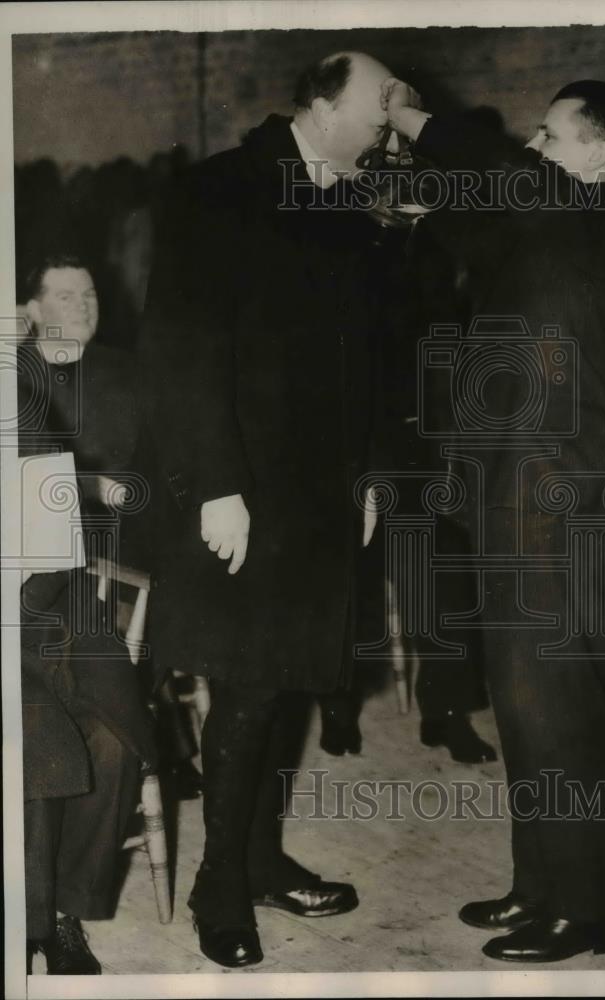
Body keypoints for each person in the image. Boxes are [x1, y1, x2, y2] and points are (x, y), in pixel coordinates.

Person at [138, 52, 413, 968]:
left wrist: (371, 474)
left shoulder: (344, 202)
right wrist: (218, 486)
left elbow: (370, 359)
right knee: (247, 687)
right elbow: (181, 350)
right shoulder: (221, 190)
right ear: (325, 102)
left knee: (290, 673)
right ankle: (224, 886)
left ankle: (259, 857)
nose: (393, 117)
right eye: (381, 102)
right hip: (241, 493)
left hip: (322, 498)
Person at [384, 78, 605, 962]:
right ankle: (541, 883)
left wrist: (405, 114)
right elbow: (486, 235)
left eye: (551, 133)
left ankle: (591, 908)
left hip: (569, 502)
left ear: (599, 153)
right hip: (517, 495)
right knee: (528, 705)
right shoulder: (550, 230)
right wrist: (424, 207)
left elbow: (502, 178)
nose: (535, 147)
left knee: (566, 709)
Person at [19, 255, 157, 974]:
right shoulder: (15, 380)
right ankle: (32, 916)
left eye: (90, 293)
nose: (81, 306)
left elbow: (150, 479)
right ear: (30, 309)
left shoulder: (127, 374)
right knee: (43, 742)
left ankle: (68, 911)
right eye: (62, 295)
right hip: (22, 598)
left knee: (115, 731)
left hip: (82, 582)